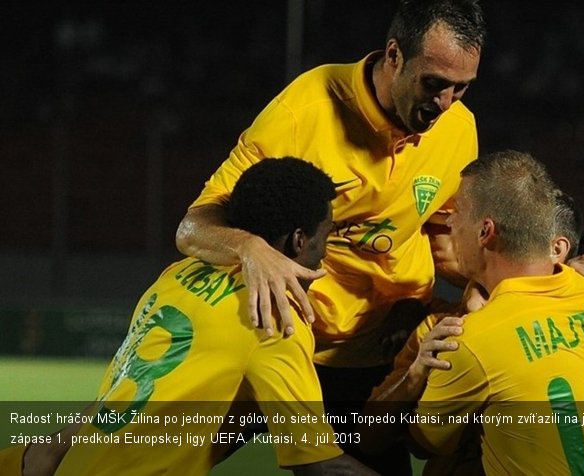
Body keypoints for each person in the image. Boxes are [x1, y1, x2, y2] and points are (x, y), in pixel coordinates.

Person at [174, 0, 485, 471]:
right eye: (434, 84)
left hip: (375, 357)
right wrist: (251, 249)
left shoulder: (459, 130)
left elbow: (446, 241)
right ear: (395, 54)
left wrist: (492, 293)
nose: (445, 104)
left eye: (461, 88)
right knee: (160, 454)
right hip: (284, 342)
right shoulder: (303, 113)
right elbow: (193, 227)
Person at [1, 158, 375, 475]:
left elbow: (127, 388)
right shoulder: (274, 321)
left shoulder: (179, 275)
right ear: (298, 240)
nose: (325, 252)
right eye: (325, 236)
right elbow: (319, 466)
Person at [359, 184, 584, 475]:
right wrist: (413, 378)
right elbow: (370, 437)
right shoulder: (440, 331)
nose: (439, 234)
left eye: (451, 223)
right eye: (432, 226)